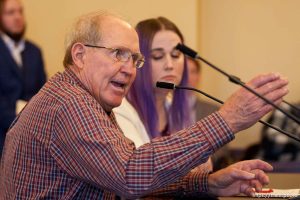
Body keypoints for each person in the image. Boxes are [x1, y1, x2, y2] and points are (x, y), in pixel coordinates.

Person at [0, 11, 289, 199]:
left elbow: (125, 182)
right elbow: (131, 176)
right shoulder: (69, 104)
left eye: (135, 59)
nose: (129, 69)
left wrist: (208, 183)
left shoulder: (86, 101)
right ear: (79, 55)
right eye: (118, 54)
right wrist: (227, 119)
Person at [114, 17, 214, 171]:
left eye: (175, 55)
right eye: (157, 56)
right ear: (137, 61)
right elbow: (141, 174)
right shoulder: (120, 109)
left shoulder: (175, 107)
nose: (169, 65)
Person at [0, 0, 47, 156]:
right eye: (11, 13)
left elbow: (43, 94)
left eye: (20, 11)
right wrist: (20, 122)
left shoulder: (34, 51)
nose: (18, 17)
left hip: (32, 136)